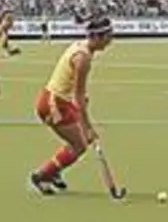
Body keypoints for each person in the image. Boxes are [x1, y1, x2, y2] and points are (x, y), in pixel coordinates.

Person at [29, 16, 116, 196]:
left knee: (80, 141)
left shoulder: (81, 47)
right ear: (98, 37)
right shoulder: (82, 58)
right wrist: (88, 126)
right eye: (109, 36)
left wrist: (81, 102)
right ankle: (42, 175)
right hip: (53, 104)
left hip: (60, 100)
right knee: (80, 145)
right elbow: (78, 95)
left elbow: (77, 93)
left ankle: (54, 172)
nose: (111, 40)